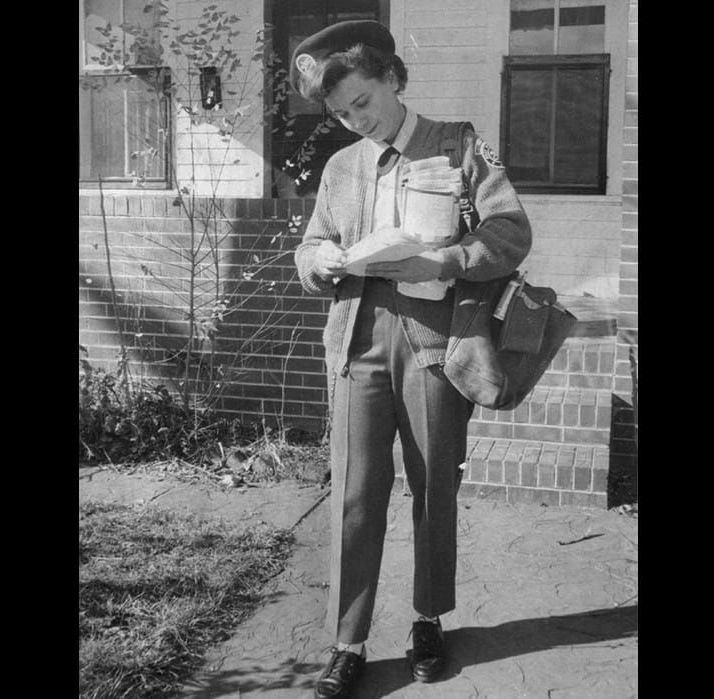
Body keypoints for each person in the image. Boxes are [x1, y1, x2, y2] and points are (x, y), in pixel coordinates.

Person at [291, 19, 533, 698]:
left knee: (434, 489)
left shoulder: (456, 146)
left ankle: (427, 618)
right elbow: (310, 245)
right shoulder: (341, 167)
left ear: (394, 79)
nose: (354, 121)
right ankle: (347, 641)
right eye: (339, 113)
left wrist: (444, 259)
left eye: (362, 103)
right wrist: (321, 261)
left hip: (433, 345)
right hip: (357, 344)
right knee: (354, 495)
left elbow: (510, 232)